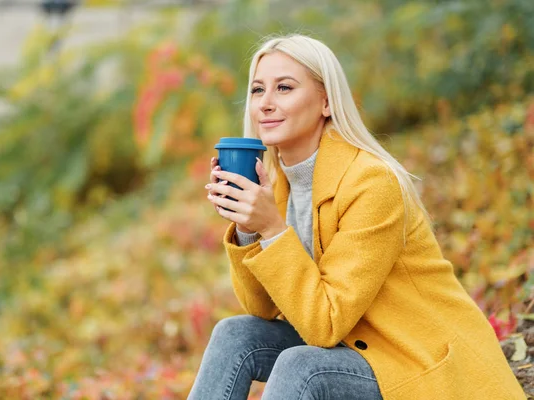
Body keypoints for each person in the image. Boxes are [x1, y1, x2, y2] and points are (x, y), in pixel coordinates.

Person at [188, 34, 525, 400]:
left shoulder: (371, 182)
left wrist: (271, 226)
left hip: (415, 359)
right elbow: (262, 307)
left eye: (284, 88)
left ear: (326, 102)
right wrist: (248, 229)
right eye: (257, 90)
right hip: (356, 342)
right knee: (236, 334)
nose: (265, 104)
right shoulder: (277, 179)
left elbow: (325, 325)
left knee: (302, 366)